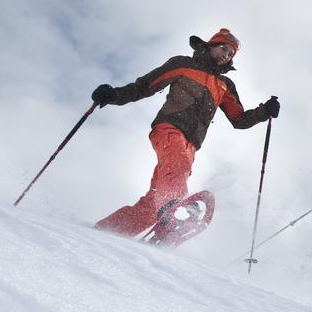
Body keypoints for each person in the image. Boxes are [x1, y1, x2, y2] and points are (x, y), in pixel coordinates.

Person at [91, 28, 280, 237]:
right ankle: (171, 212)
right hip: (168, 129)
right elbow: (144, 86)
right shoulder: (183, 65)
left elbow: (239, 119)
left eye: (230, 54)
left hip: (191, 145)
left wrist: (264, 111)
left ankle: (106, 231)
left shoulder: (225, 85)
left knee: (153, 204)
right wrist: (113, 95)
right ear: (211, 45)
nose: (226, 55)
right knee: (177, 165)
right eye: (223, 48)